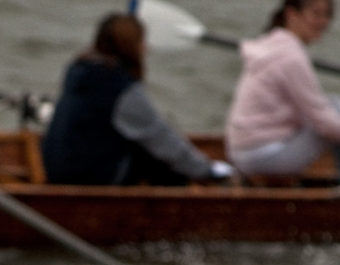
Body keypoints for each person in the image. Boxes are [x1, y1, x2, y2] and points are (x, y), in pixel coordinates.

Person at [41, 12, 235, 186]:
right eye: (142, 42)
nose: (146, 48)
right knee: (156, 158)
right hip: (90, 180)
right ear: (130, 47)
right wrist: (207, 171)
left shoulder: (79, 71)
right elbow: (163, 138)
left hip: (57, 173)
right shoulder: (120, 87)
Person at [224, 0, 340, 188]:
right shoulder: (291, 56)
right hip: (264, 156)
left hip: (242, 152)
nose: (323, 22)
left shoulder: (269, 44)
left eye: (327, 15)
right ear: (291, 14)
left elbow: (315, 110)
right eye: (316, 14)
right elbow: (323, 121)